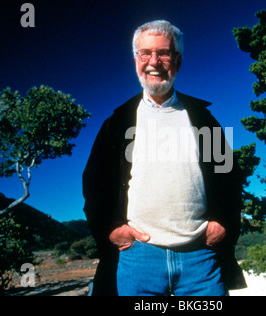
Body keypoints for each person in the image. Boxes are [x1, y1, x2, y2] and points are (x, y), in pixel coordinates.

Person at [83, 20, 246, 296]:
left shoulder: (204, 119)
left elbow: (229, 174)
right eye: (145, 53)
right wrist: (109, 228)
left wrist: (224, 221)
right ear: (136, 60)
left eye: (164, 53)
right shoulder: (118, 122)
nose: (154, 61)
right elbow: (94, 182)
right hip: (138, 259)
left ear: (178, 61)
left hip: (201, 259)